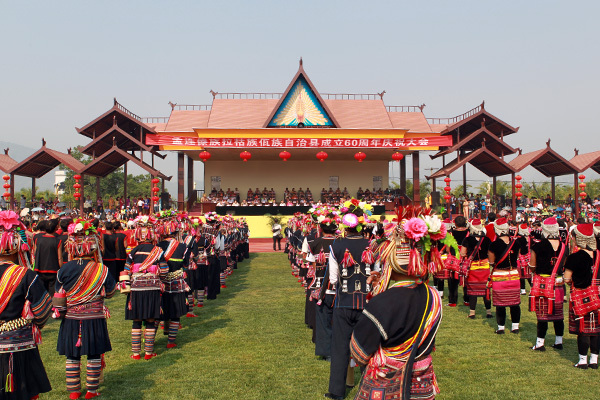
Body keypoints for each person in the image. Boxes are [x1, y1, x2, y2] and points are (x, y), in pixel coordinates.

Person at [350, 210, 443, 400]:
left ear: (391, 262)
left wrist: (376, 298)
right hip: (421, 385)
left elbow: (359, 353)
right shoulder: (433, 296)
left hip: (385, 386)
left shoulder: (383, 302)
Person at [56, 218, 116, 399]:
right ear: (93, 246)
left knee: (72, 356)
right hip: (94, 318)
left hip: (71, 318)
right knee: (94, 353)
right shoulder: (101, 269)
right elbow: (112, 291)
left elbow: (59, 296)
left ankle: (74, 391)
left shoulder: (64, 270)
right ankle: (91, 390)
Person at [0, 210, 52, 400]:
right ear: (19, 245)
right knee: (23, 392)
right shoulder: (26, 275)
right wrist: (36, 323)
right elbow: (43, 309)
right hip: (19, 346)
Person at [325, 200, 373, 400]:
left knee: (340, 348)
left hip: (343, 302)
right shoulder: (372, 245)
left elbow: (334, 279)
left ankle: (337, 391)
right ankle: (370, 386)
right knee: (368, 348)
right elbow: (377, 273)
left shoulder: (336, 244)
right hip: (368, 304)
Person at [123, 215, 166, 360]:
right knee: (150, 320)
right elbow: (164, 270)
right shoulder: (158, 251)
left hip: (136, 289)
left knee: (136, 320)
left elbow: (126, 271)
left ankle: (135, 353)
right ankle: (148, 352)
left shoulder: (133, 252)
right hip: (152, 289)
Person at [564, 223, 600, 368]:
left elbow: (567, 278)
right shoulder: (598, 254)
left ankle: (583, 360)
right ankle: (594, 360)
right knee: (596, 329)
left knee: (584, 329)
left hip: (581, 295)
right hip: (598, 294)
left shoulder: (574, 257)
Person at [529, 217, 566, 351]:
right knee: (558, 315)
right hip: (559, 283)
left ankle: (540, 343)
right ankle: (558, 341)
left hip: (543, 283)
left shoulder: (538, 246)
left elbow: (532, 265)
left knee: (542, 315)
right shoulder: (563, 246)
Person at [156, 214, 190, 348]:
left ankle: (151, 341)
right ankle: (171, 341)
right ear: (176, 232)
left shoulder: (157, 246)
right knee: (175, 312)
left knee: (159, 310)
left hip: (160, 283)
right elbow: (186, 264)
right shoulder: (182, 246)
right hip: (176, 282)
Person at [488, 218, 525, 334]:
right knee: (514, 302)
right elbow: (517, 257)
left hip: (499, 275)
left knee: (500, 303)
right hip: (513, 274)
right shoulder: (516, 243)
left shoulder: (493, 245)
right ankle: (515, 326)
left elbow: (491, 261)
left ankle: (501, 327)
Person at [461, 219, 493, 319]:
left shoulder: (467, 239)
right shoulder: (487, 240)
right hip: (485, 267)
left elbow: (462, 253)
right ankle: (488, 312)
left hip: (473, 267)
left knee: (472, 291)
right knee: (486, 290)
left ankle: (472, 313)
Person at [33, 218, 63, 296]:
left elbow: (34, 253)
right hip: (53, 269)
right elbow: (59, 258)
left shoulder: (38, 239)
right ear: (55, 229)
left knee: (42, 291)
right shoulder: (58, 241)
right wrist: (62, 269)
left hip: (40, 268)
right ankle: (52, 306)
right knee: (52, 290)